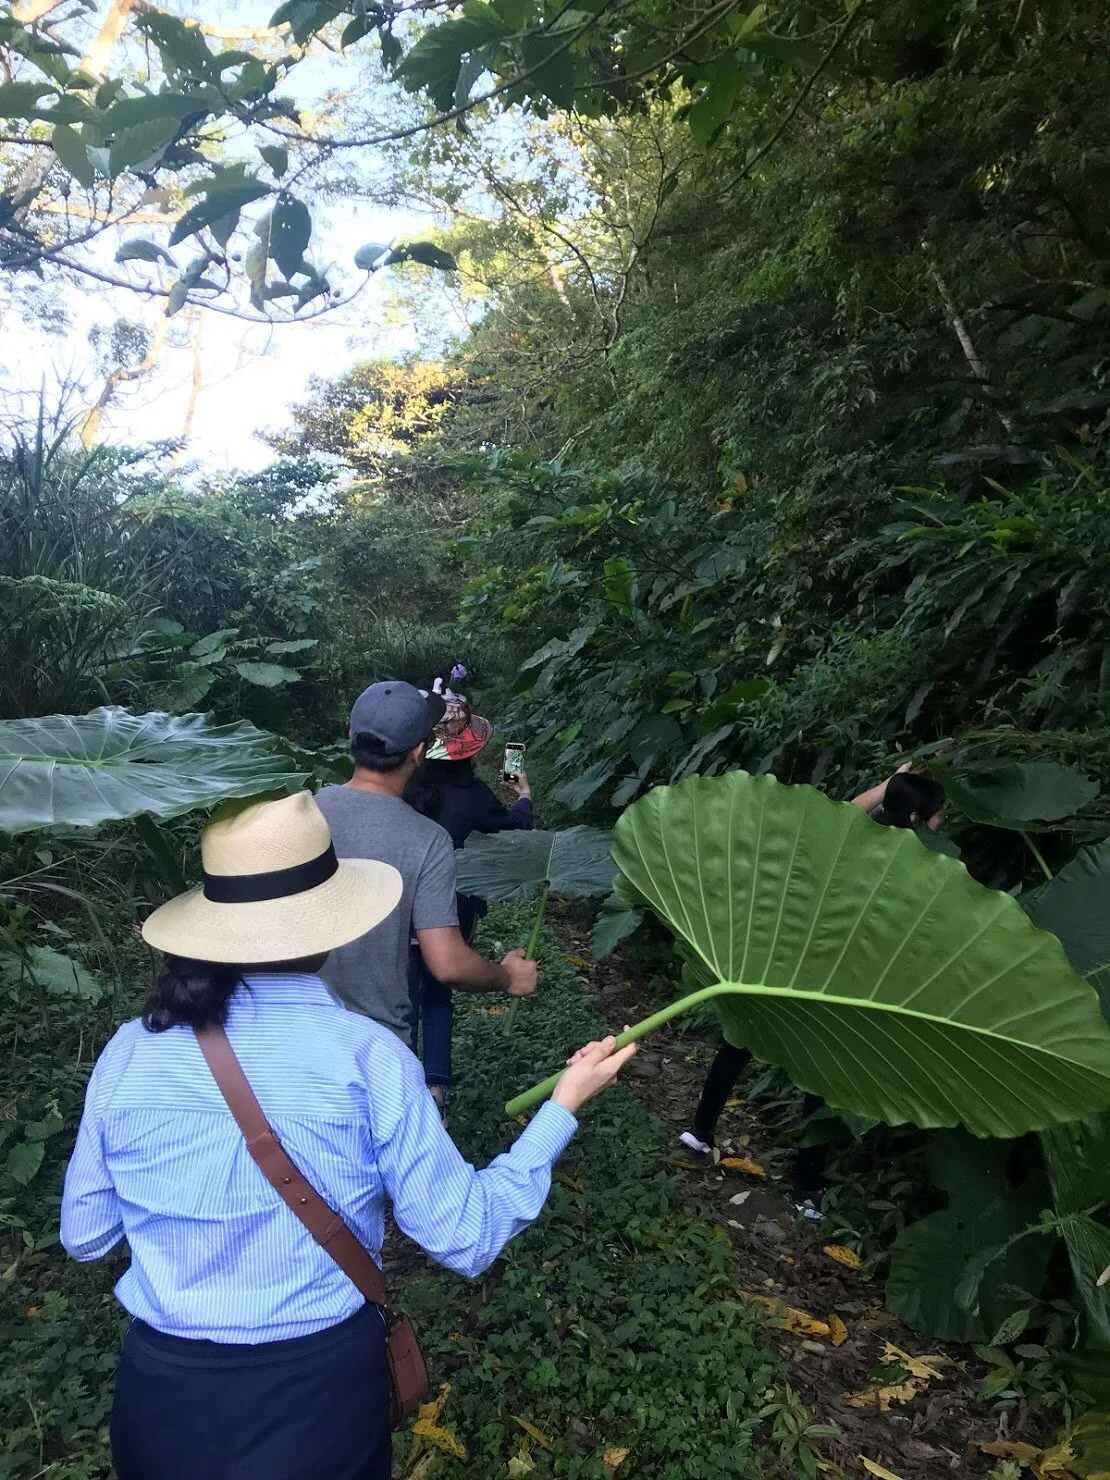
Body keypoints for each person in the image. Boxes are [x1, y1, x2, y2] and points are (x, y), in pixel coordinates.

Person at [60, 791, 636, 1480]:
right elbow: (465, 1233)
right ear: (329, 925)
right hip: (316, 1397)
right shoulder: (367, 1055)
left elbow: (85, 1236)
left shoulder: (130, 1049)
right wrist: (562, 1107)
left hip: (161, 1400)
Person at [679, 764, 948, 1215]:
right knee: (821, 1075)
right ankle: (806, 1189)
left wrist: (890, 784)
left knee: (741, 1041)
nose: (942, 824)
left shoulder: (848, 834)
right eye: (937, 816)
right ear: (918, 820)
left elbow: (842, 811)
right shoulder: (911, 863)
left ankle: (701, 1129)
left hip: (786, 958)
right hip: (837, 981)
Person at [314, 680, 536, 1043]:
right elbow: (447, 964)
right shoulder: (428, 840)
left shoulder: (304, 810)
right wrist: (508, 976)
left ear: (352, 736)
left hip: (297, 1029)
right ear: (418, 752)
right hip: (375, 1042)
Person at [404, 686, 534, 1109]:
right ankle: (436, 1092)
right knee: (439, 996)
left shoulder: (402, 790)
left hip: (397, 907)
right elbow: (516, 832)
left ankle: (398, 1087)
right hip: (451, 909)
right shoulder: (474, 797)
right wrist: (524, 796)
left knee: (403, 996)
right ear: (470, 749)